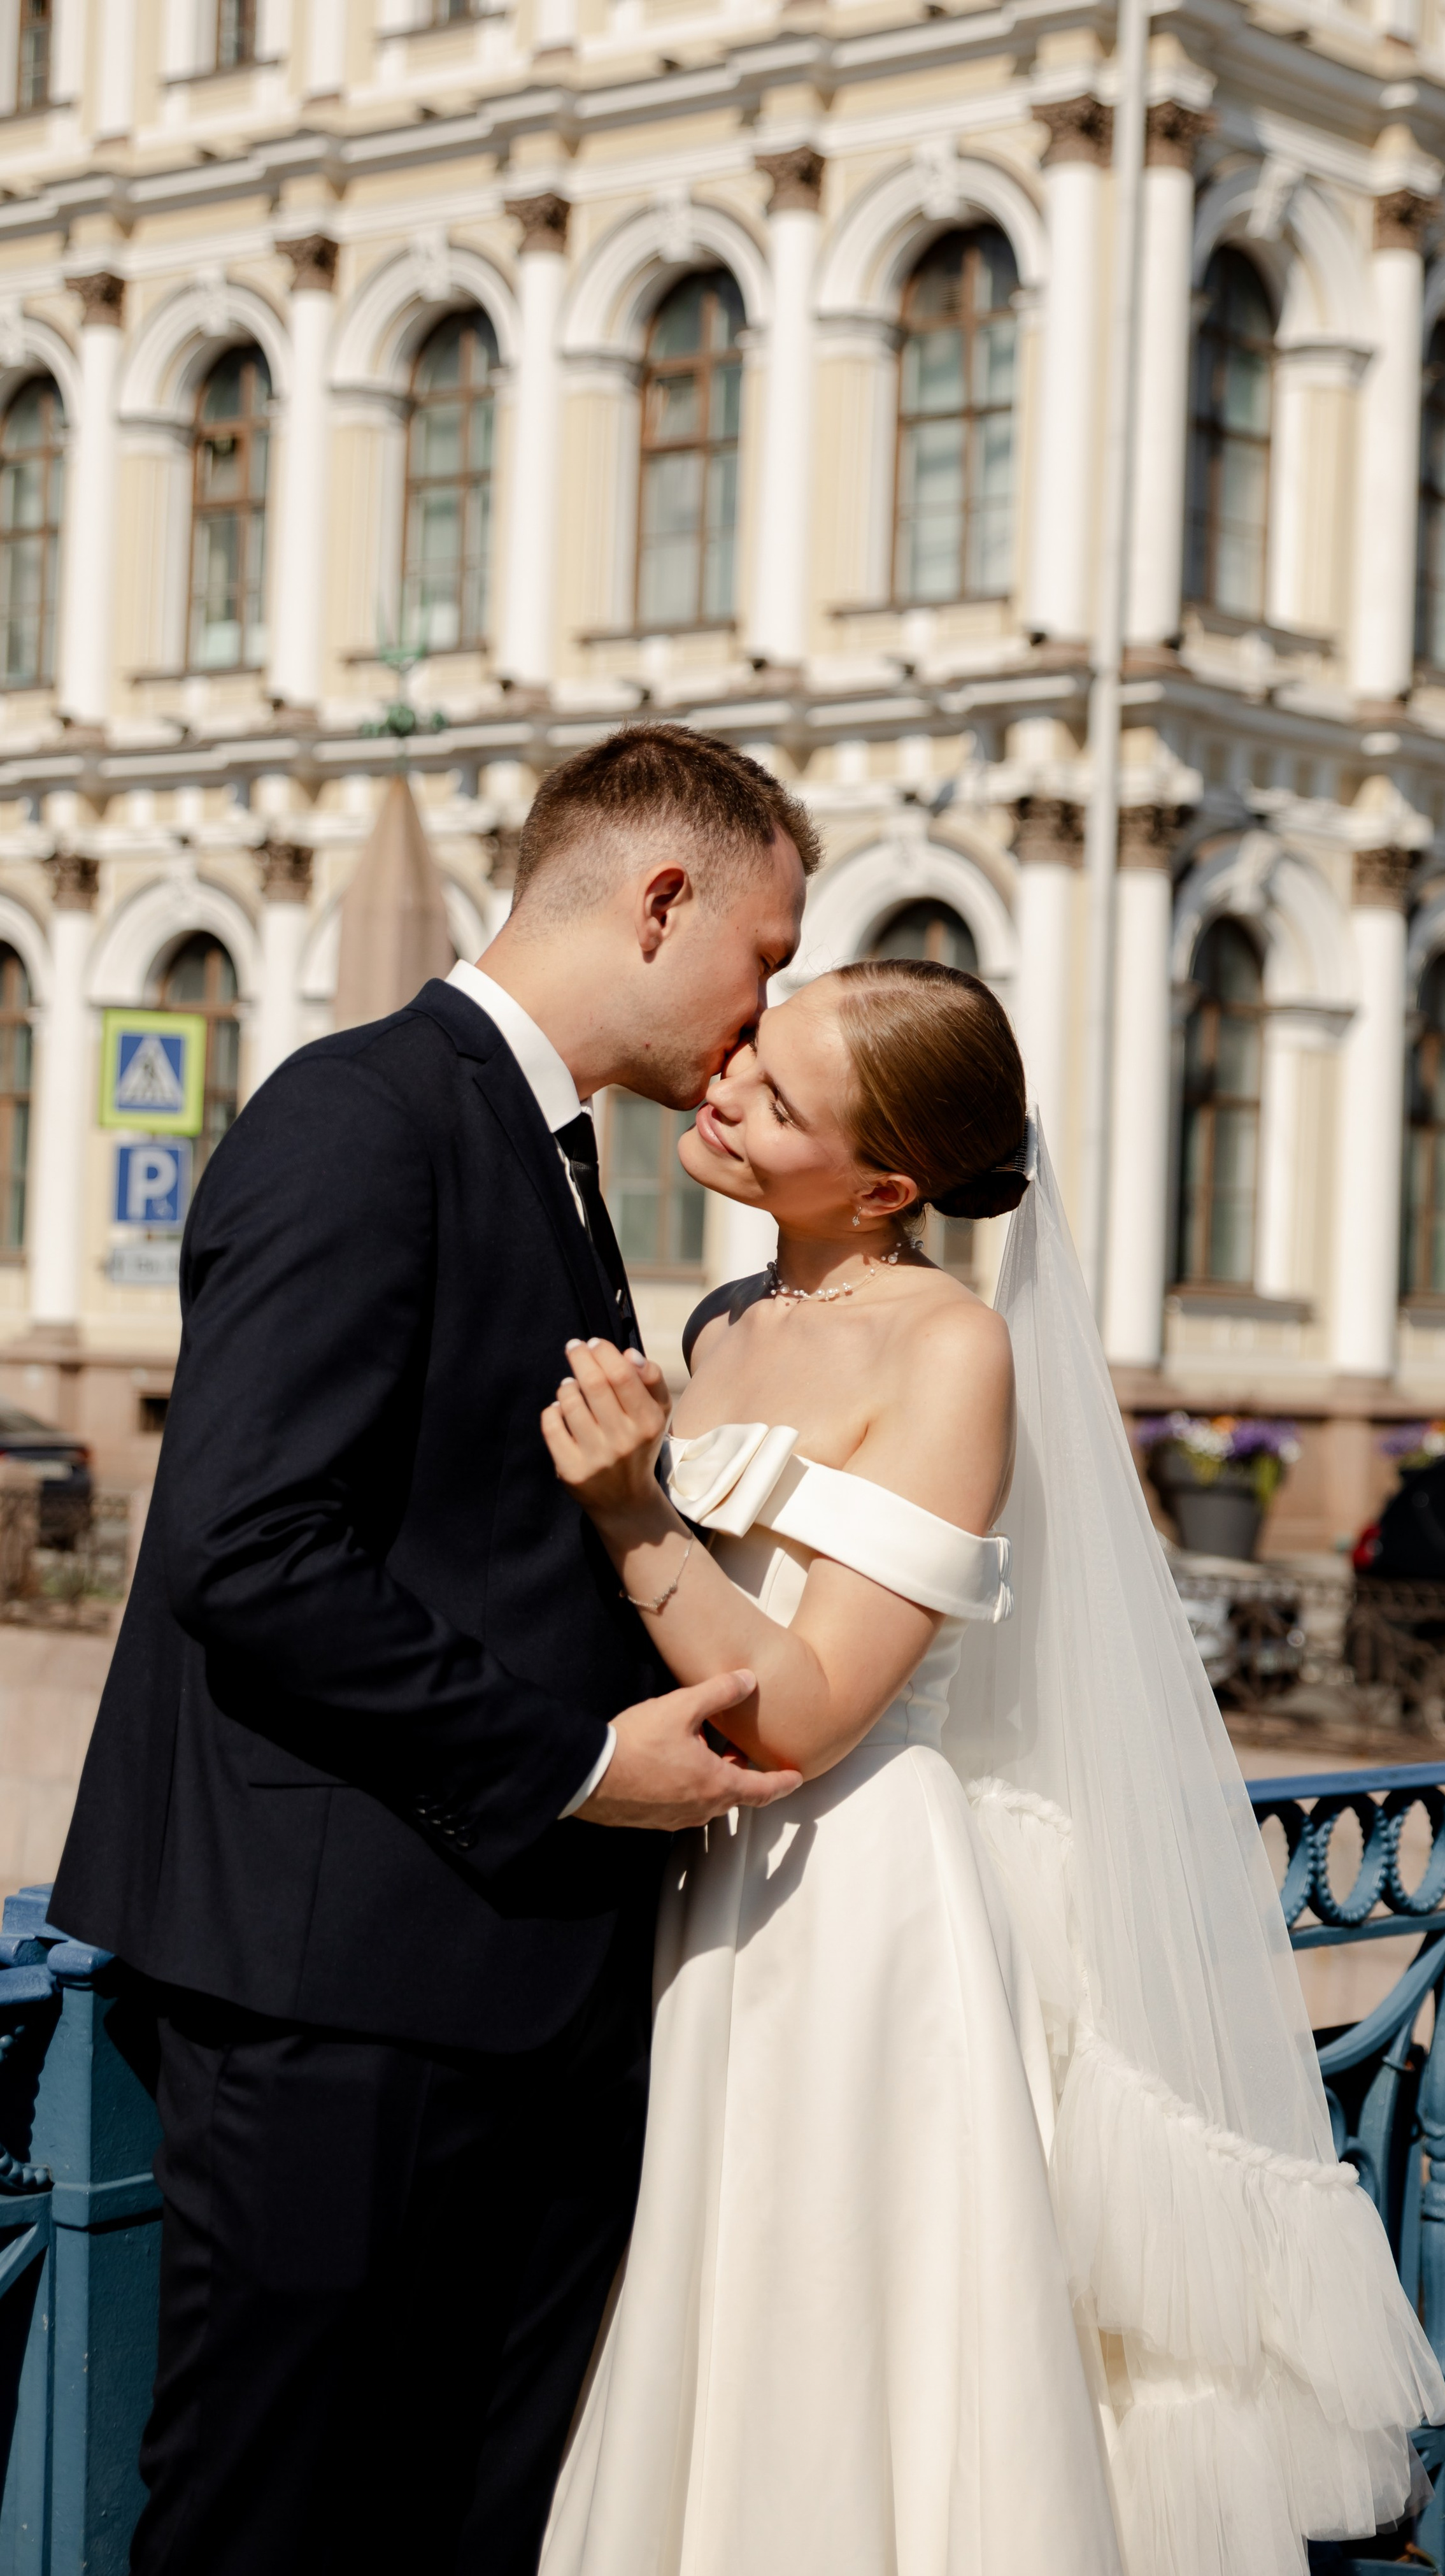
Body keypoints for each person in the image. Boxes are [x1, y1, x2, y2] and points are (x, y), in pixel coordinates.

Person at [534, 957, 1445, 2576]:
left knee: (827, 2315)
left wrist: (629, 1515)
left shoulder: (950, 1347)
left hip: (853, 1900)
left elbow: (810, 1709)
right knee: (702, 2296)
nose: (725, 1090)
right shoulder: (725, 1315)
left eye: (777, 1096)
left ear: (887, 1184)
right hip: (702, 1874)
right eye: (748, 1054)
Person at [49, 726, 815, 2576]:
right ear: (661, 900)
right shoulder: (360, 1112)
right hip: (344, 2004)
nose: (762, 1013)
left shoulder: (542, 1148)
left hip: (497, 1993)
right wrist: (577, 1762)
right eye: (765, 957)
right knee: (282, 2523)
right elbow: (249, 1550)